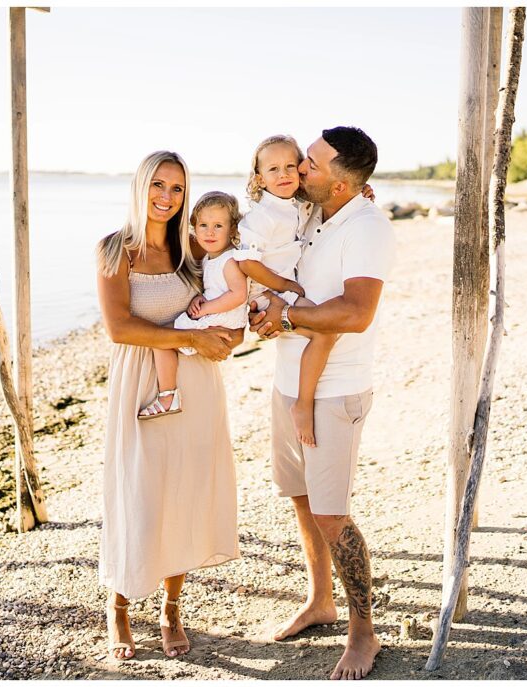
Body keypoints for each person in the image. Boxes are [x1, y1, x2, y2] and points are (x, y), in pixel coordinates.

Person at [250, 127, 395, 680]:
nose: (299, 170)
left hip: (335, 392)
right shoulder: (315, 214)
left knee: (333, 514)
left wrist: (285, 318)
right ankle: (320, 601)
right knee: (303, 500)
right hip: (289, 382)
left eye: (309, 164)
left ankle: (364, 634)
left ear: (338, 181)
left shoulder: (367, 228)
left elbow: (356, 313)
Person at [95, 151, 243, 660]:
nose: (166, 197)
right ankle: (118, 607)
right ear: (141, 186)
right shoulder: (116, 249)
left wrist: (226, 335)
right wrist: (191, 342)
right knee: (138, 493)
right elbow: (118, 328)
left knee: (182, 492)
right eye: (158, 185)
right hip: (141, 383)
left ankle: (172, 608)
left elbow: (239, 280)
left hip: (196, 386)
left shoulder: (193, 251)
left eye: (177, 189)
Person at [233, 135, 337, 449]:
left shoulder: (293, 205)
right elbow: (246, 262)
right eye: (274, 169)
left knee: (323, 328)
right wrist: (285, 286)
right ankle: (303, 405)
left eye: (291, 166)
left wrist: (366, 191)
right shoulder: (262, 215)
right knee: (325, 331)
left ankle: (303, 400)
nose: (284, 174)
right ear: (259, 178)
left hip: (277, 291)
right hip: (264, 292)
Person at [139, 191, 249, 419]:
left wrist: (206, 308)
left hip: (223, 317)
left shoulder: (229, 260)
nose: (209, 232)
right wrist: (201, 299)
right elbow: (213, 289)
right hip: (217, 314)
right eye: (203, 225)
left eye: (218, 226)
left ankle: (168, 396)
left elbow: (238, 294)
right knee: (166, 337)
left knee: (162, 339)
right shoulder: (210, 258)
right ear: (194, 227)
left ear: (232, 230)